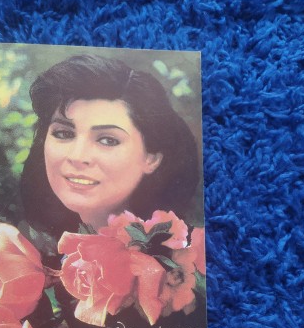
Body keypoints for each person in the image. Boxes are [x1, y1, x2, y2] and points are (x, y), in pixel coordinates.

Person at [20, 54, 199, 238]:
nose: (77, 156)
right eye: (64, 134)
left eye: (107, 140)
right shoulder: (22, 249)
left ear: (151, 158)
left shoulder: (189, 253)